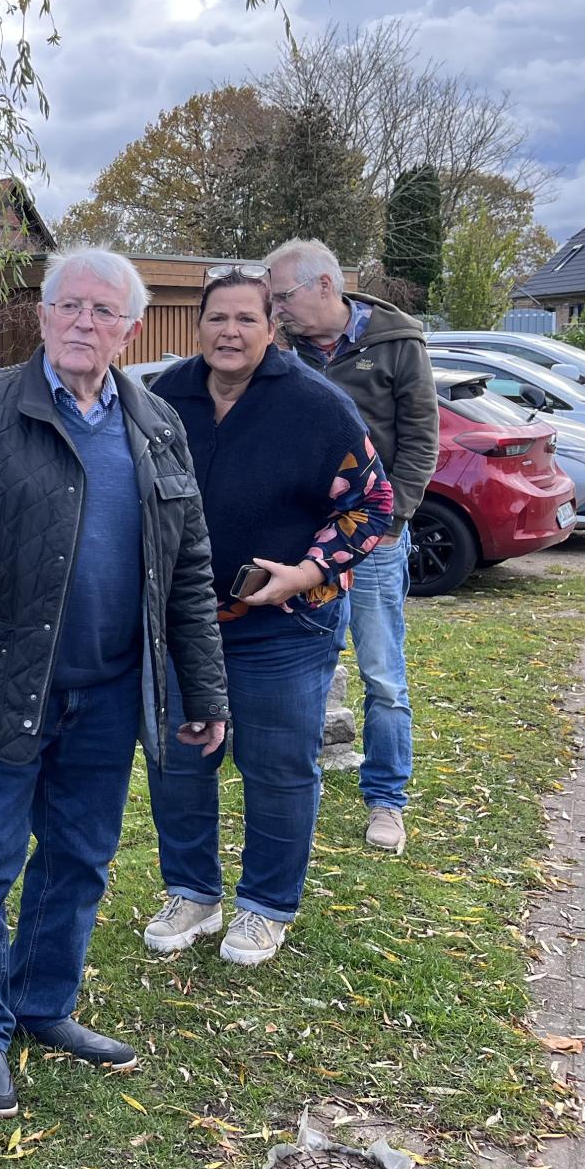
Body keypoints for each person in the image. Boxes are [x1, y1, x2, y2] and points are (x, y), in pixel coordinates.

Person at [0, 246, 229, 1120]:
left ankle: (41, 1002)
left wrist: (204, 691)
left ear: (130, 331)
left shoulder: (156, 423)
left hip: (108, 693)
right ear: (41, 316)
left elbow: (188, 567)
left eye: (103, 311)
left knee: (79, 856)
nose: (83, 322)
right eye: (69, 305)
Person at [141, 269, 394, 967]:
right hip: (185, 621)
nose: (230, 332)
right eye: (217, 318)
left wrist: (307, 572)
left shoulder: (317, 406)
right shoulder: (165, 397)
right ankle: (193, 892)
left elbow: (372, 504)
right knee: (179, 761)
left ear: (272, 329)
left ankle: (266, 906)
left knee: (277, 766)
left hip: (286, 624)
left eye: (246, 319)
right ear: (198, 325)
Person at [264, 238, 438, 856]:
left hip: (377, 538)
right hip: (304, 543)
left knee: (382, 674)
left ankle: (386, 799)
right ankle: (295, 786)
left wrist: (390, 524)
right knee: (305, 665)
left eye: (282, 296)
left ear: (325, 286)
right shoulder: (280, 349)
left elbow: (421, 440)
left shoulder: (397, 343)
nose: (275, 308)